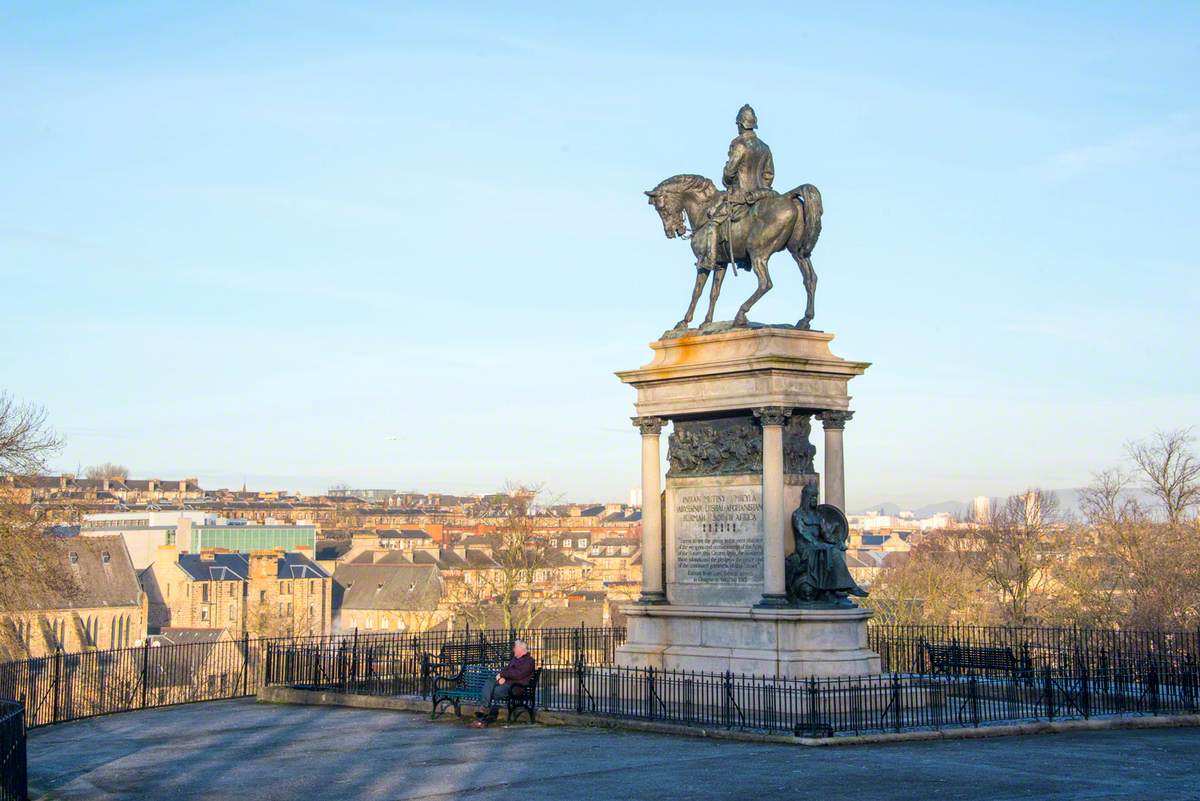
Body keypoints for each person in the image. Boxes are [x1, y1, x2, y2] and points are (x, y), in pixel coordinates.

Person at [698, 104, 776, 270]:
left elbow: (730, 172)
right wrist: (762, 190)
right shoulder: (764, 147)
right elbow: (769, 174)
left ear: (740, 125)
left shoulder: (739, 144)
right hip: (760, 196)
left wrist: (726, 177)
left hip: (739, 196)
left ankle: (710, 260)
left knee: (712, 224)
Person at [471, 640, 535, 728]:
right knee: (489, 681)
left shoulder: (529, 661)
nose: (513, 650)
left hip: (515, 687)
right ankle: (484, 710)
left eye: (515, 648)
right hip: (506, 683)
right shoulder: (515, 659)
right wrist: (502, 677)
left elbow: (518, 674)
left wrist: (503, 675)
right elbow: (505, 669)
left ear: (521, 649)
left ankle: (482, 718)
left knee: (491, 692)